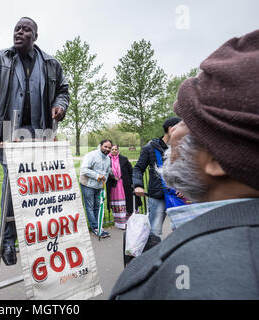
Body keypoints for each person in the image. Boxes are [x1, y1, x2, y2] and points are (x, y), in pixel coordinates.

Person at [110, 29, 259, 299]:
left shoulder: (157, 280)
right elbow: (140, 168)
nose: (175, 132)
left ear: (218, 159)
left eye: (188, 122)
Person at [0, 17, 69, 265]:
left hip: (40, 132)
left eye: (26, 30)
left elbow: (63, 91)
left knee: (39, 184)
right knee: (13, 178)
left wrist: (59, 105)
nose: (20, 32)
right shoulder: (0, 58)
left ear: (35, 36)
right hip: (5, 131)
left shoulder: (51, 64)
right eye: (17, 29)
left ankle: (37, 237)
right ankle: (7, 240)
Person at [132, 116, 182, 237]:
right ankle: (153, 254)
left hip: (178, 196)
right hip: (157, 196)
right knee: (155, 231)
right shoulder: (150, 148)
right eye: (181, 128)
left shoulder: (182, 147)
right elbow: (138, 168)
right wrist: (138, 185)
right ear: (171, 129)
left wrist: (185, 188)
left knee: (181, 230)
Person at [79, 140, 113, 238]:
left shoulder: (108, 159)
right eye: (105, 146)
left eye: (109, 147)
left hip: (99, 187)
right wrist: (97, 175)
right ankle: (95, 228)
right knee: (90, 207)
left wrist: (104, 181)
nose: (107, 149)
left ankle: (99, 227)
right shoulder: (91, 155)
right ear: (100, 146)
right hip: (87, 185)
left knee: (98, 206)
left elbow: (106, 172)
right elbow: (84, 169)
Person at [106, 145, 140, 229]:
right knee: (117, 202)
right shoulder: (106, 160)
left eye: (115, 149)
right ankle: (120, 223)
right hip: (114, 185)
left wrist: (134, 183)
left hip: (125, 184)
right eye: (112, 149)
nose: (114, 151)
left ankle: (130, 221)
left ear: (118, 150)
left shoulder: (124, 159)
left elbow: (131, 171)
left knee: (128, 202)